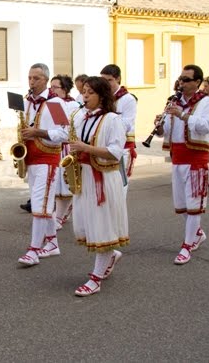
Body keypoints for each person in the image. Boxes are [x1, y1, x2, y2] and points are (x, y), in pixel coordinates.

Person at [68, 76, 128, 296]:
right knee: (85, 226)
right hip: (84, 176)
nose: (84, 96)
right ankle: (111, 255)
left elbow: (115, 151)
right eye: (84, 91)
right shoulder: (81, 117)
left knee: (102, 227)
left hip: (103, 178)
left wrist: (86, 147)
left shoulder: (113, 119)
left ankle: (95, 279)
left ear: (102, 95)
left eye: (90, 92)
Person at [155, 64, 209, 265]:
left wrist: (182, 114)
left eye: (186, 79)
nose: (181, 83)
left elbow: (206, 126)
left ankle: (187, 245)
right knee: (181, 206)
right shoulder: (175, 101)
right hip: (178, 158)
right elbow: (166, 132)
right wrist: (159, 126)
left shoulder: (207, 102)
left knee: (194, 206)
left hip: (196, 159)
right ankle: (197, 234)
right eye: (180, 79)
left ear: (197, 82)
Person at [17, 63, 68, 266]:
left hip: (47, 158)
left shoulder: (55, 103)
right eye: (29, 78)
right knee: (44, 203)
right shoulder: (27, 102)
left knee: (40, 204)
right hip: (31, 157)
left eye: (36, 78)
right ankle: (52, 243)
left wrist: (39, 132)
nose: (31, 82)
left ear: (46, 80)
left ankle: (34, 250)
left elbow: (64, 134)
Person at [101, 64, 137, 194]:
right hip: (104, 147)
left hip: (123, 148)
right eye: (103, 80)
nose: (106, 84)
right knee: (106, 190)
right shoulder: (102, 97)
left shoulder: (128, 99)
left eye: (109, 80)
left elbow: (127, 123)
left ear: (118, 79)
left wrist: (107, 124)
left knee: (120, 189)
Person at [49, 75, 79, 231]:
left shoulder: (73, 105)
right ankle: (57, 214)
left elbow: (67, 127)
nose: (51, 90)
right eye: (51, 87)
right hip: (53, 145)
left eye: (55, 87)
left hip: (66, 147)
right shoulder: (50, 103)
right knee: (55, 184)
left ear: (65, 89)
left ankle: (59, 216)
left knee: (64, 185)